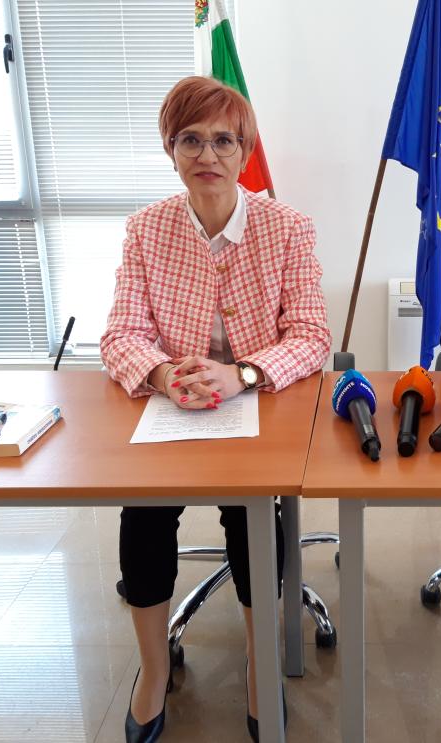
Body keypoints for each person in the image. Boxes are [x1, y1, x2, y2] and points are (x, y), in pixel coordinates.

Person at [101, 76, 331, 743]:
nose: (207, 154)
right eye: (190, 140)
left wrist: (242, 374)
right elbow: (120, 335)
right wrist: (162, 371)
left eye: (223, 140)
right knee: (143, 513)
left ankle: (260, 668)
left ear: (244, 151)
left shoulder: (287, 228)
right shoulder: (146, 230)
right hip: (172, 410)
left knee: (252, 512)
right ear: (170, 150)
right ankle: (152, 671)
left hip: (257, 408)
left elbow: (311, 335)